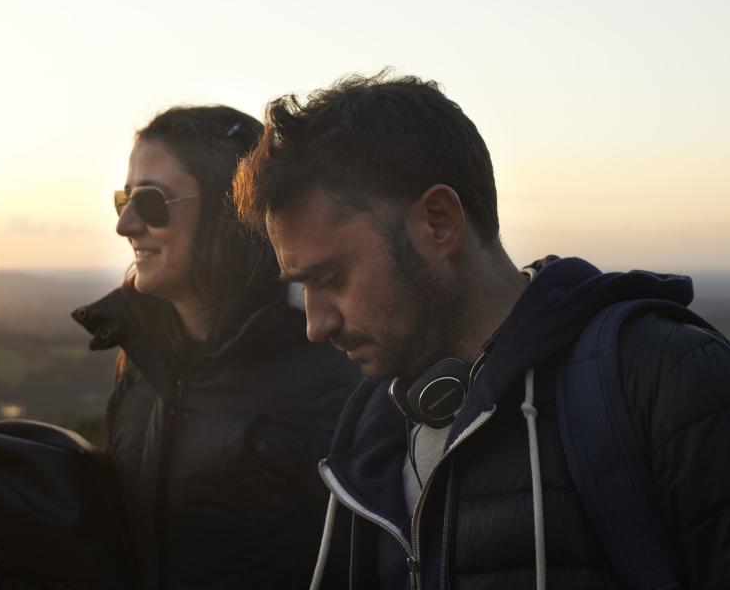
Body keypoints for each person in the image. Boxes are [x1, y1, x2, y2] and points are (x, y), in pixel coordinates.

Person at [232, 73, 730, 589]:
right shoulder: (372, 429)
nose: (316, 325)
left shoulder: (663, 377)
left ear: (439, 223)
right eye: (301, 287)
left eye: (331, 278)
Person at [72, 105, 360, 589]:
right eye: (124, 198)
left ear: (232, 211)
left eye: (150, 200)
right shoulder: (140, 366)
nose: (125, 225)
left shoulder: (333, 376)